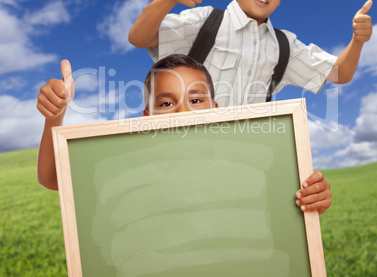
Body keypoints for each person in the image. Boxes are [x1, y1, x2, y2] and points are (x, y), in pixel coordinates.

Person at [37, 54, 332, 214]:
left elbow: (284, 206)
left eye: (195, 100)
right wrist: (55, 116)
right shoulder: (130, 167)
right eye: (166, 103)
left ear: (215, 109)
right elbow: (52, 178)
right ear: (147, 117)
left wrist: (311, 198)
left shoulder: (248, 168)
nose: (182, 113)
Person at [128, 0, 373, 107]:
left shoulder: (284, 46)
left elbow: (340, 74)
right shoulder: (206, 22)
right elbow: (140, 38)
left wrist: (357, 40)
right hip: (189, 145)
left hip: (243, 153)